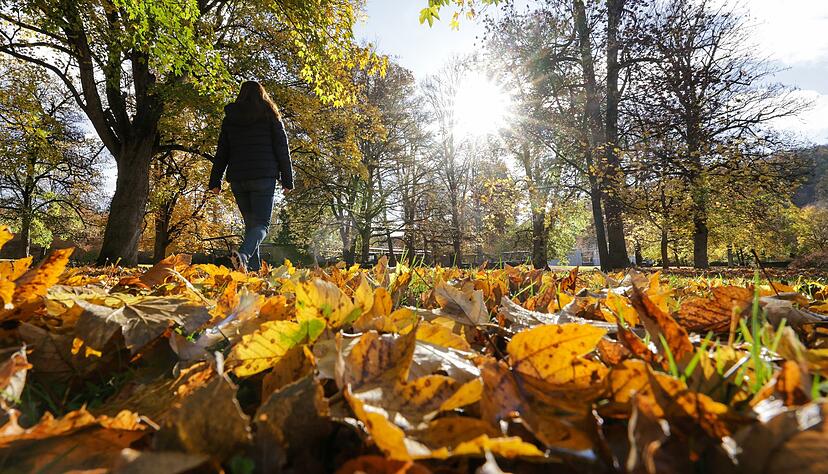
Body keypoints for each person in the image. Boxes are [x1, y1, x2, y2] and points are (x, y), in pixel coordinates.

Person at [208, 81, 293, 272]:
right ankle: (244, 256)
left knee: (251, 227)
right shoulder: (270, 115)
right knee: (261, 225)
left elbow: (222, 151)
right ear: (262, 94)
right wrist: (287, 180)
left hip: (239, 179)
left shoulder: (231, 118)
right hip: (263, 177)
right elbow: (282, 149)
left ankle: (252, 271)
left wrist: (215, 181)